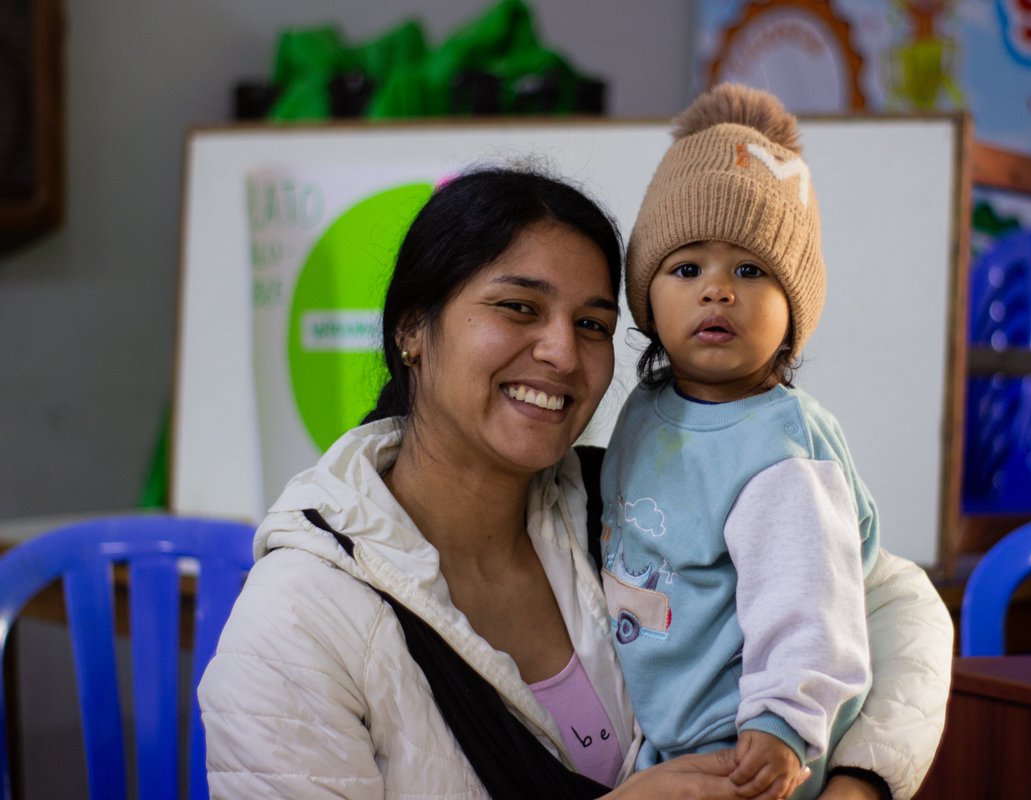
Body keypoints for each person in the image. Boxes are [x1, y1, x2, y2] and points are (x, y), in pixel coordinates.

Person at [198, 165, 953, 799]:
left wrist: (857, 782)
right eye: (518, 307)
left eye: (592, 324)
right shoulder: (297, 622)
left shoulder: (621, 503)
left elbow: (900, 606)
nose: (561, 352)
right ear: (412, 328)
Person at [599, 83, 881, 800]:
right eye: (687, 269)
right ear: (646, 295)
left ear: (793, 313)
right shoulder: (645, 408)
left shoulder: (780, 451)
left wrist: (785, 721)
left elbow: (811, 604)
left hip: (749, 752)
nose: (716, 291)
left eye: (750, 271)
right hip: (660, 735)